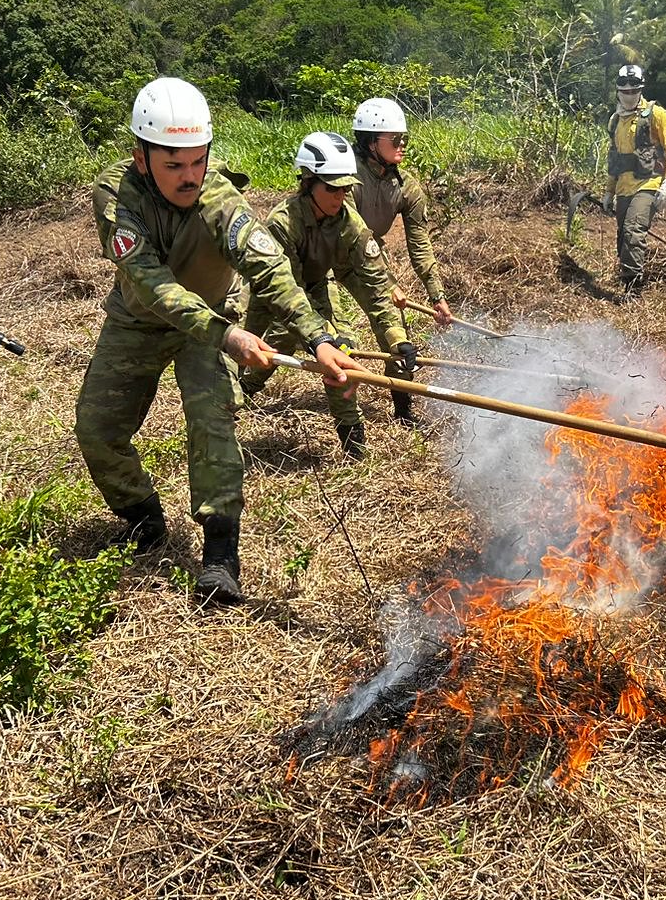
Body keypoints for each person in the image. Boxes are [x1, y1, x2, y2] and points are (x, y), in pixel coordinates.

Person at [74, 79, 361, 606]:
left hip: (207, 325)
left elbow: (269, 266)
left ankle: (220, 556)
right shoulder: (117, 197)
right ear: (142, 158)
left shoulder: (219, 198)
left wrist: (318, 337)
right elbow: (150, 284)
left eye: (198, 162)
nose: (189, 177)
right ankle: (143, 519)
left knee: (213, 419)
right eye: (174, 165)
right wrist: (229, 335)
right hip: (139, 322)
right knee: (97, 430)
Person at [240, 132, 418, 459]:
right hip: (273, 292)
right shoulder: (283, 223)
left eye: (345, 188)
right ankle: (243, 391)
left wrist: (396, 337)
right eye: (331, 188)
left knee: (340, 350)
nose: (340, 196)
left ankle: (354, 449)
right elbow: (286, 291)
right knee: (265, 345)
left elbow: (375, 283)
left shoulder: (348, 222)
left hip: (317, 286)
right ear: (309, 182)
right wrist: (316, 336)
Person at [350, 97, 451, 426]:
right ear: (369, 142)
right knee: (292, 330)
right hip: (328, 255)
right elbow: (352, 236)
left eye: (404, 139)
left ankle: (403, 409)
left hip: (368, 258)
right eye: (395, 140)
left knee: (397, 332)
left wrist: (437, 296)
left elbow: (419, 243)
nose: (402, 145)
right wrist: (390, 282)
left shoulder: (406, 186)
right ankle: (248, 386)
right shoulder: (346, 178)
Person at [602, 63, 666, 296]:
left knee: (633, 230)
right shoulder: (615, 120)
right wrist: (609, 191)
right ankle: (627, 280)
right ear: (618, 91)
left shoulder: (656, 114)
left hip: (649, 183)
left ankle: (633, 291)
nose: (629, 95)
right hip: (624, 187)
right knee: (622, 237)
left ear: (640, 90)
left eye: (633, 91)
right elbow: (614, 159)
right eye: (624, 91)